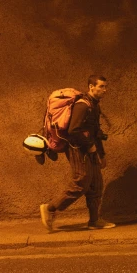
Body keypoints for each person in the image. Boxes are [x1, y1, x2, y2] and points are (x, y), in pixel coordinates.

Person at [39, 75, 115, 230]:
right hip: (77, 148)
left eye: (105, 86)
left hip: (90, 148)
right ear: (91, 87)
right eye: (101, 86)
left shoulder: (94, 105)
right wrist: (89, 147)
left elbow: (95, 131)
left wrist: (102, 154)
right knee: (82, 181)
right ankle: (50, 208)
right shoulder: (82, 105)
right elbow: (73, 130)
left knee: (96, 184)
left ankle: (94, 221)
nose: (105, 90)